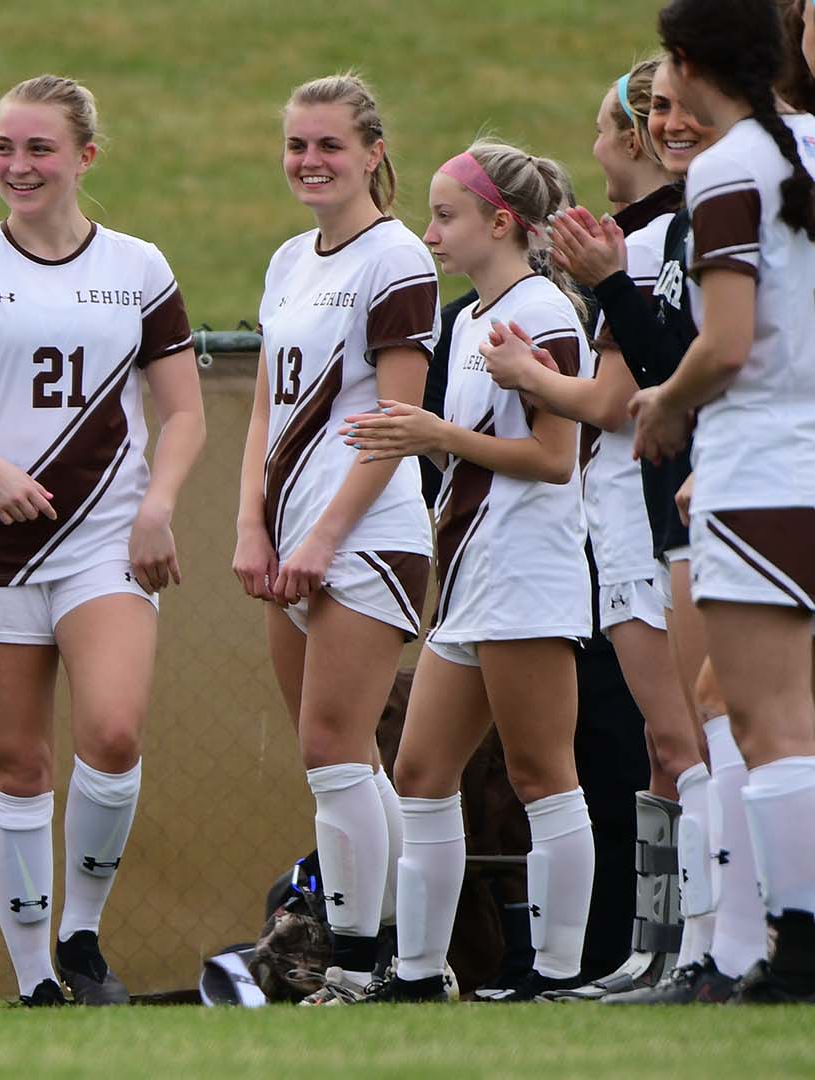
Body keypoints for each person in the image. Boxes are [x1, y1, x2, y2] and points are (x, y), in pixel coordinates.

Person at [0, 74, 206, 1006]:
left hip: (106, 539)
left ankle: (81, 932)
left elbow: (181, 415)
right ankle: (35, 982)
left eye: (40, 150)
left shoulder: (139, 266)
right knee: (17, 764)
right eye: (4, 148)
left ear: (85, 158)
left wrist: (158, 506)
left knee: (111, 730)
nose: (17, 167)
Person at [477, 59, 713, 998]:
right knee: (670, 746)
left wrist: (531, 380)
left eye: (611, 127)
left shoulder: (654, 241)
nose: (600, 147)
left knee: (686, 736)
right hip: (632, 513)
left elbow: (618, 403)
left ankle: (699, 946)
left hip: (649, 509)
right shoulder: (652, 236)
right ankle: (663, 950)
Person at [345, 140, 597, 1003]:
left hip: (525, 571)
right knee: (419, 771)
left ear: (501, 223)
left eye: (446, 216)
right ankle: (418, 974)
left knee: (541, 773)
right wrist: (436, 440)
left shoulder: (544, 315)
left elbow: (556, 457)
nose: (430, 232)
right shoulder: (470, 320)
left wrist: (435, 436)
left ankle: (556, 977)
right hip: (469, 579)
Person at [233, 72, 437, 1004]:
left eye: (329, 146)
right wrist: (255, 527)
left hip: (367, 535)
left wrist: (324, 537)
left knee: (332, 748)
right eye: (297, 146)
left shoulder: (397, 260)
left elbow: (400, 421)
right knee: (345, 761)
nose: (309, 162)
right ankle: (399, 961)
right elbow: (267, 413)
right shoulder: (288, 261)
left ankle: (355, 969)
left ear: (373, 153)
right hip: (292, 540)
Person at [629, 0, 815, 1004]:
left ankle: (796, 950)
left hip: (765, 466)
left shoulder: (730, 169)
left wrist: (665, 404)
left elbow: (729, 341)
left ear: (692, 63)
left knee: (770, 723)